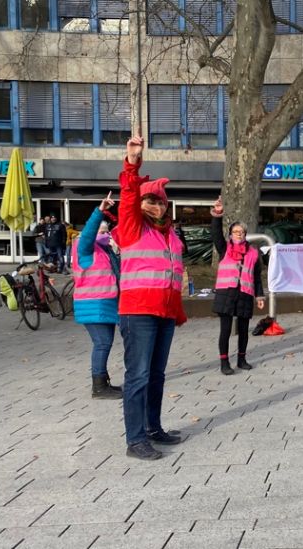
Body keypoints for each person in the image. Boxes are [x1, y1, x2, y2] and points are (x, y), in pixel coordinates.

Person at [115, 136, 187, 461]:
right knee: (139, 375)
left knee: (157, 375)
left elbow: (171, 277)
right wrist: (132, 163)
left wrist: (177, 312)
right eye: (150, 201)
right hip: (138, 313)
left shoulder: (170, 234)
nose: (155, 205)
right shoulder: (132, 227)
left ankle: (153, 428)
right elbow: (130, 195)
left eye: (159, 201)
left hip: (164, 313)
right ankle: (135, 439)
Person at [72, 192, 122, 400]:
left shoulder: (106, 250)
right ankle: (99, 387)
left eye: (106, 231)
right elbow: (89, 233)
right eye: (100, 231)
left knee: (105, 342)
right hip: (93, 304)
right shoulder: (85, 248)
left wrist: (117, 252)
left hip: (107, 304)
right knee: (102, 343)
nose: (105, 234)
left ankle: (104, 381)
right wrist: (99, 211)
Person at [210, 196, 266, 375]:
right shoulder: (224, 248)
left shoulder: (253, 253)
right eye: (235, 232)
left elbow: (257, 277)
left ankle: (242, 359)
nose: (239, 234)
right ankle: (224, 362)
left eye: (241, 232)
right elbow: (215, 233)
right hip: (226, 293)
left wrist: (260, 296)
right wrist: (217, 214)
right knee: (225, 330)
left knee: (243, 330)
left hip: (245, 293)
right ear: (231, 234)